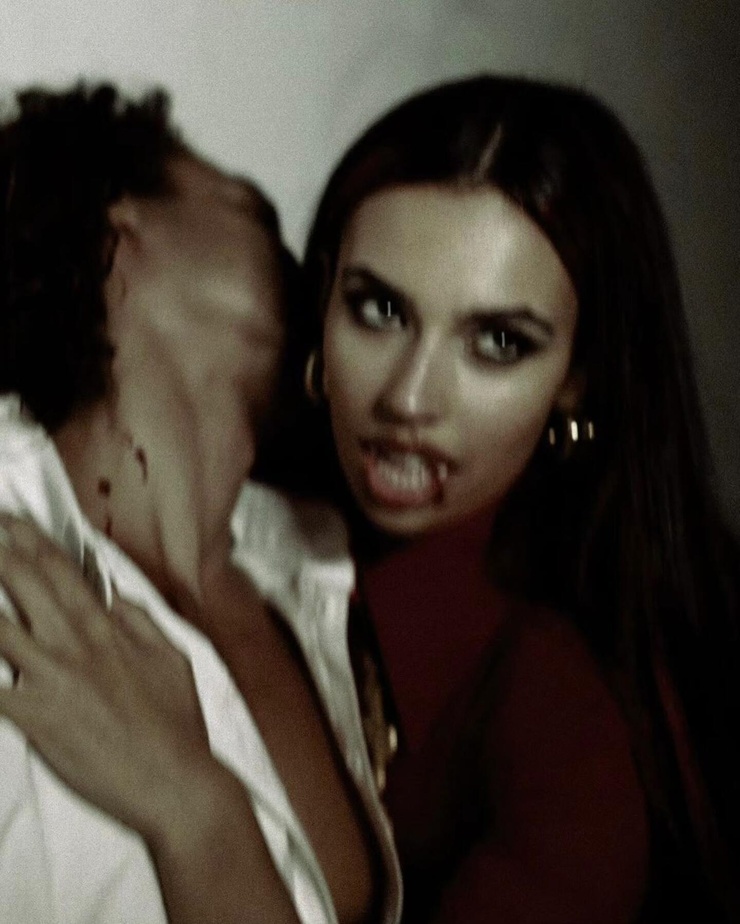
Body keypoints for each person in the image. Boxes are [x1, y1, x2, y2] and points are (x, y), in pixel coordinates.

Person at [2, 75, 739, 923]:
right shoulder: (284, 540)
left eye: (500, 341)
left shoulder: (564, 707)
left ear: (578, 376)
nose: (408, 399)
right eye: (378, 307)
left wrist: (196, 812)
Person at [0, 84, 400, 924]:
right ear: (118, 234)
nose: (312, 268)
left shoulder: (321, 573)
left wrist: (197, 812)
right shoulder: (14, 579)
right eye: (256, 214)